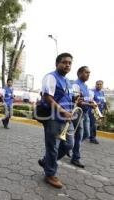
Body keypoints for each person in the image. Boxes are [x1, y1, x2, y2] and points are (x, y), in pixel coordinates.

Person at [37, 53, 75, 189]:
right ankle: (50, 174)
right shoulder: (51, 77)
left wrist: (70, 112)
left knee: (69, 145)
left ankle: (46, 161)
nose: (67, 65)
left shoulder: (68, 81)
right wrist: (62, 111)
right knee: (52, 147)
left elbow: (69, 99)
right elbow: (47, 97)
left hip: (66, 119)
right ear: (57, 63)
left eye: (70, 63)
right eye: (64, 62)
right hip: (53, 117)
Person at [71, 66, 96, 168]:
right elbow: (78, 101)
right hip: (77, 113)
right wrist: (91, 105)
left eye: (89, 73)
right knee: (80, 135)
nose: (88, 75)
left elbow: (87, 99)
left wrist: (92, 102)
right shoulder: (76, 85)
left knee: (86, 133)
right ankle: (75, 157)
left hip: (85, 113)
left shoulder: (85, 87)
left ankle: (70, 146)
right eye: (86, 72)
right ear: (79, 73)